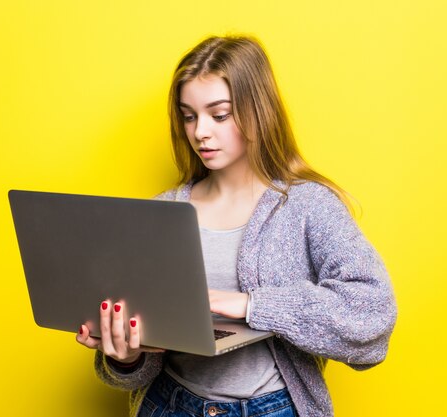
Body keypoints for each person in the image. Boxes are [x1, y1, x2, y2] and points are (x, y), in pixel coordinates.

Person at [76, 35, 397, 417]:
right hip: (169, 404)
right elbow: (138, 368)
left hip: (271, 408)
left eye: (219, 114)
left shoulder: (307, 206)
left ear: (258, 111)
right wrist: (126, 358)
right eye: (189, 115)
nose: (200, 132)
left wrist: (250, 305)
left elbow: (372, 313)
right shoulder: (160, 213)